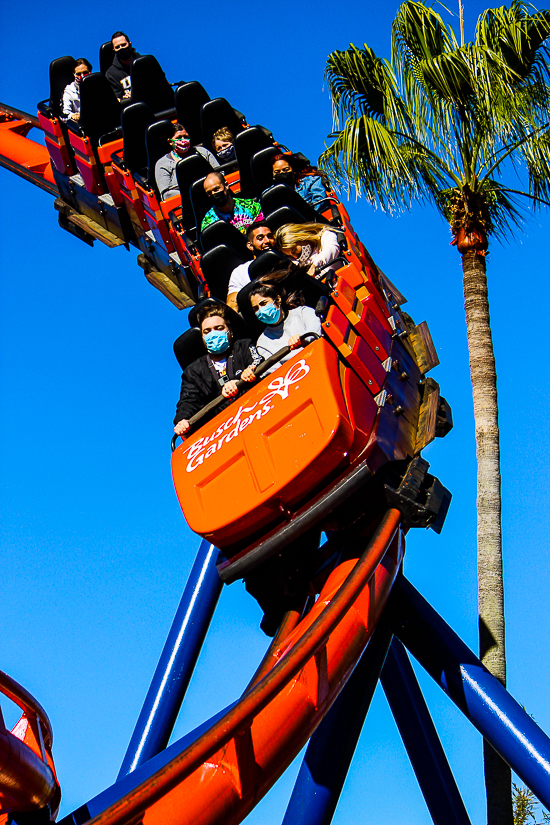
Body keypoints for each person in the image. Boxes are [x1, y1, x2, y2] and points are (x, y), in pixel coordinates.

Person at [174, 305, 261, 435]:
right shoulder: (193, 372)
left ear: (229, 330)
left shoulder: (244, 346)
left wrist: (244, 376)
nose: (213, 334)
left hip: (256, 410)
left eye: (219, 328)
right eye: (207, 331)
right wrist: (182, 420)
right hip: (224, 430)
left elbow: (258, 362)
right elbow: (189, 400)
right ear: (202, 337)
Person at [249, 279, 322, 371]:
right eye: (256, 308)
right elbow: (275, 370)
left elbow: (316, 327)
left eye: (263, 303)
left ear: (278, 300)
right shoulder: (262, 343)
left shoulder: (302, 312)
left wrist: (303, 339)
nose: (260, 310)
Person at [155, 123, 219, 201]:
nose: (183, 140)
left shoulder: (203, 152)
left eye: (185, 137)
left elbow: (219, 172)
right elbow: (166, 194)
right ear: (170, 141)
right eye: (178, 138)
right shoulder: (162, 164)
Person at [226, 223, 275, 311]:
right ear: (250, 245)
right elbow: (232, 305)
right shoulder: (240, 272)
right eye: (260, 238)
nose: (267, 241)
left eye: (270, 236)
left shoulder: (285, 259)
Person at [275, 222, 340, 275]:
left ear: (301, 237)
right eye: (290, 255)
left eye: (294, 250)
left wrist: (314, 266)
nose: (295, 256)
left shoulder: (325, 235)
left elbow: (332, 248)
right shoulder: (300, 263)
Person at [105, 31, 140, 103]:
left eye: (123, 45)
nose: (121, 48)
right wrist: (125, 98)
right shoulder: (111, 74)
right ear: (114, 50)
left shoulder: (145, 62)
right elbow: (117, 98)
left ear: (130, 45)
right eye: (117, 47)